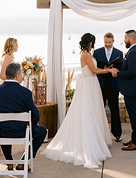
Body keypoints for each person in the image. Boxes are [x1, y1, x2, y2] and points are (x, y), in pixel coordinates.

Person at [42, 33, 113, 168]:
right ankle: (88, 142)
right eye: (93, 41)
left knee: (92, 112)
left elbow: (93, 70)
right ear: (89, 42)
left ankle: (95, 140)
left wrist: (105, 68)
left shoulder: (87, 54)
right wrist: (108, 70)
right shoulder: (86, 54)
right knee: (88, 113)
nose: (94, 44)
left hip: (91, 84)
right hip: (89, 85)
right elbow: (94, 71)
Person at [0, 62, 48, 171]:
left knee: (0, 127)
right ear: (17, 76)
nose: (23, 76)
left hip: (2, 131)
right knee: (43, 131)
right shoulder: (26, 92)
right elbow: (35, 116)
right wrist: (32, 124)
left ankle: (9, 161)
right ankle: (23, 162)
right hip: (22, 131)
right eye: (21, 74)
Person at [111, 29, 136, 150]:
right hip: (131, 89)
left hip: (131, 89)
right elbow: (129, 69)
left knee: (134, 116)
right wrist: (119, 70)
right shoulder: (133, 51)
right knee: (133, 115)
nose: (124, 40)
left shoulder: (133, 52)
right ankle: (134, 139)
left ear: (131, 38)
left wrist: (117, 75)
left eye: (125, 38)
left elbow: (132, 72)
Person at [93, 32, 124, 141]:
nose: (107, 44)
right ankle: (99, 134)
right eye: (106, 42)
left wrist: (114, 67)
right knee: (99, 110)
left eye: (109, 42)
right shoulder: (96, 52)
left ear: (113, 42)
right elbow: (94, 68)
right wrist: (105, 68)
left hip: (113, 85)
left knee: (114, 109)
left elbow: (122, 67)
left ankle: (117, 134)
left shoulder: (119, 53)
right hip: (100, 85)